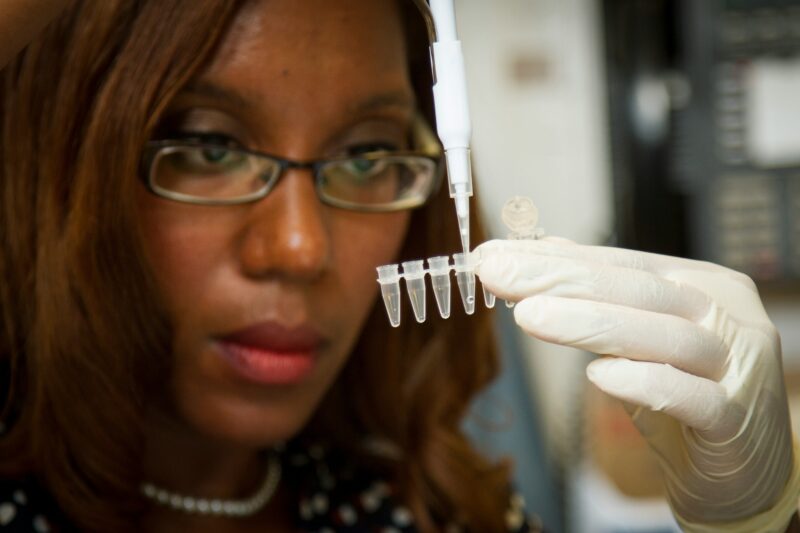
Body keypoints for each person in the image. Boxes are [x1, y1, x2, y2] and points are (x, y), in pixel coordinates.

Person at [0, 1, 798, 532]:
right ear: (62, 160)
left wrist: (756, 524)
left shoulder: (435, 509)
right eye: (211, 147)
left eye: (365, 154)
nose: (301, 250)